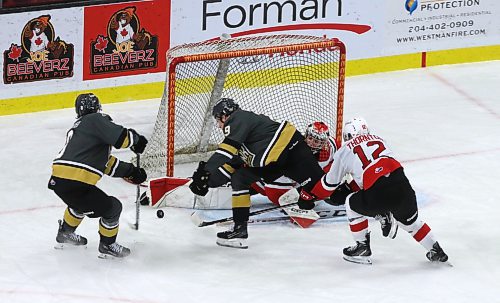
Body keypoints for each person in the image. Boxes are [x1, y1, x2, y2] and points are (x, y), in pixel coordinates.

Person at [189, 98, 327, 248]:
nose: (218, 125)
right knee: (239, 178)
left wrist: (204, 171)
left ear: (224, 115)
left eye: (218, 120)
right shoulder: (243, 137)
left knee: (324, 189)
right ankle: (239, 230)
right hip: (273, 164)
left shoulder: (238, 118)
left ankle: (351, 197)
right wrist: (207, 182)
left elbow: (225, 151)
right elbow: (229, 165)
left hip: (291, 151)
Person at [313, 117, 449, 264]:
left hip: (378, 194)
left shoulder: (344, 150)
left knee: (350, 202)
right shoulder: (380, 140)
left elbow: (329, 184)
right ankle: (437, 251)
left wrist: (308, 196)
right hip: (403, 187)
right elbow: (373, 171)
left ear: (348, 135)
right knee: (411, 223)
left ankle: (363, 246)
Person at [48, 93, 148, 258]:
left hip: (58, 181)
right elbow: (121, 137)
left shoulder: (79, 129)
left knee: (78, 204)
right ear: (97, 108)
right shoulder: (95, 119)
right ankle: (107, 245)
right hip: (76, 182)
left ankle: (65, 234)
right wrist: (136, 140)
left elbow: (104, 163)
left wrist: (130, 171)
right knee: (113, 208)